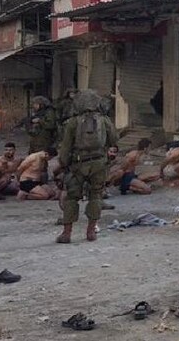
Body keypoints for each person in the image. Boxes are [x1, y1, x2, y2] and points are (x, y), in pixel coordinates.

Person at [56, 89, 118, 243]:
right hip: (99, 163)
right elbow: (114, 140)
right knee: (95, 196)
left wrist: (63, 165)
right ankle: (91, 232)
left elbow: (65, 147)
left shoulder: (73, 122)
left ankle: (67, 233)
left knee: (71, 198)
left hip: (78, 164)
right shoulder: (104, 120)